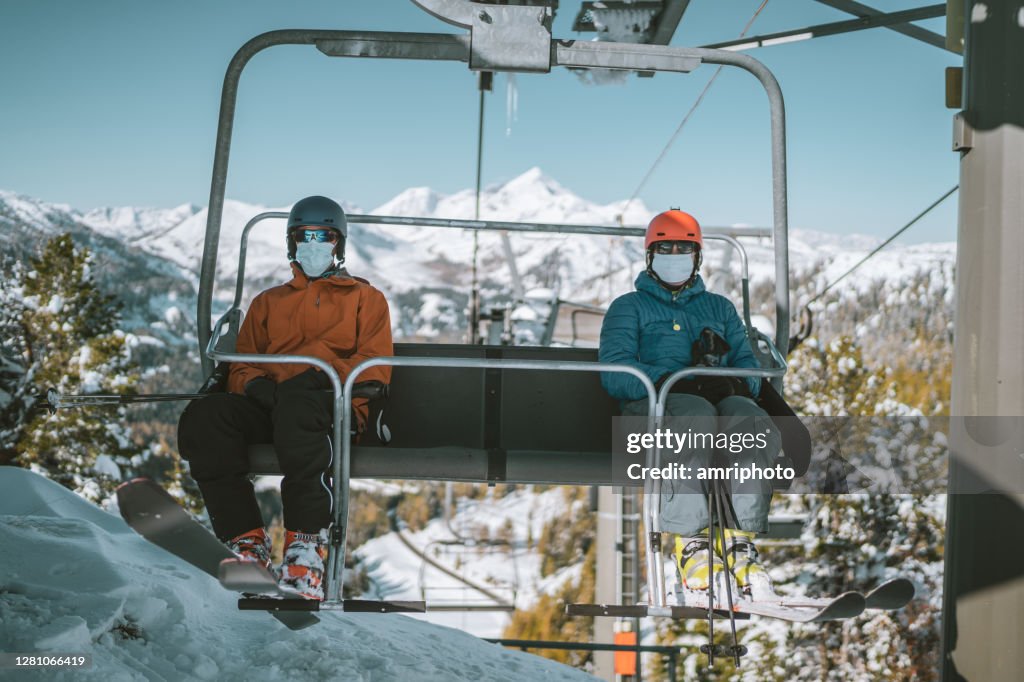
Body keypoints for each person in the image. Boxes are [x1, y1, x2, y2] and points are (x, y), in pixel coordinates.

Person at [177, 195, 393, 600]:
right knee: (207, 418)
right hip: (272, 406)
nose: (313, 245)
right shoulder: (267, 303)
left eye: (323, 236)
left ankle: (306, 547)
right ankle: (247, 544)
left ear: (339, 244)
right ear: (291, 244)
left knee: (300, 404)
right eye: (304, 237)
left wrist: (317, 380)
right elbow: (241, 364)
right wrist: (258, 386)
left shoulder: (366, 300)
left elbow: (374, 366)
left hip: (334, 409)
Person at [599, 209, 781, 599]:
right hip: (653, 408)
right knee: (692, 417)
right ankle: (691, 543)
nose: (675, 254)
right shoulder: (628, 308)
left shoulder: (720, 309)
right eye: (666, 248)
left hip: (715, 403)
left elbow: (751, 375)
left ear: (697, 257)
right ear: (651, 256)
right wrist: (669, 379)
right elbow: (615, 373)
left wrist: (723, 374)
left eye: (684, 248)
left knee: (752, 421)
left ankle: (739, 541)